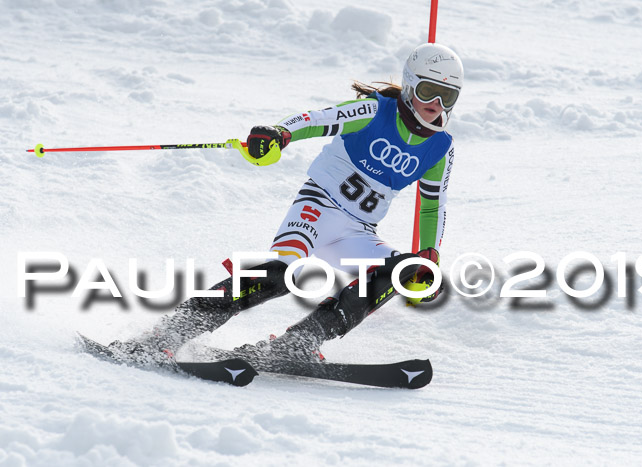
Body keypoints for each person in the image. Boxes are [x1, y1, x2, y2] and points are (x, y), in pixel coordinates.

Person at [108, 43, 464, 366]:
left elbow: (432, 205)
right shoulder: (375, 111)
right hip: (318, 207)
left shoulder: (439, 148)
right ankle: (171, 332)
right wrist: (280, 134)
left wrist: (428, 255)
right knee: (282, 272)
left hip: (357, 231)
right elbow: (318, 120)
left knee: (401, 271)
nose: (436, 106)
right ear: (409, 84)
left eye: (447, 97)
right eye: (428, 91)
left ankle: (299, 343)